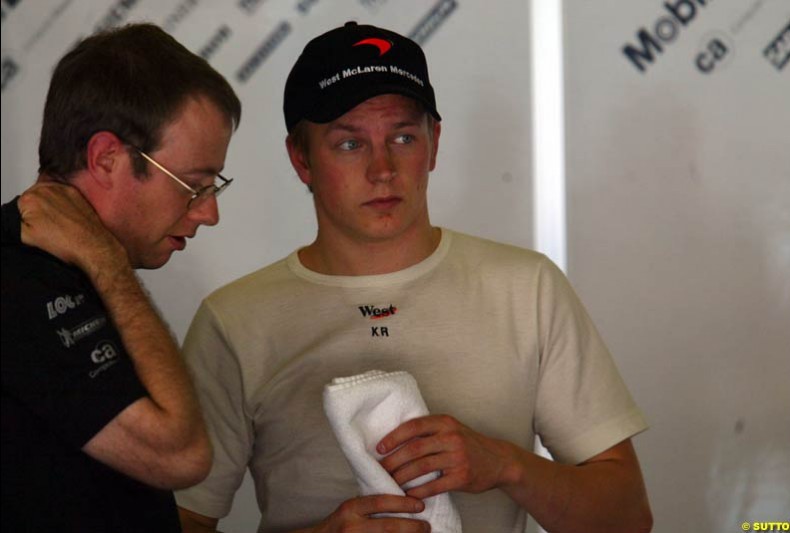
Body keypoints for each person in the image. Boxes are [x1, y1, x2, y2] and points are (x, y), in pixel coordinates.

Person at [177, 22, 652, 533]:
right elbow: (181, 521)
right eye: (350, 144)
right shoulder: (236, 320)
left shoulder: (527, 288)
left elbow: (627, 517)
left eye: (403, 136)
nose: (383, 169)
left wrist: (505, 465)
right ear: (301, 159)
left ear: (434, 143)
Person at [1, 23, 241, 532]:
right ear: (107, 158)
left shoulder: (69, 267)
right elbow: (182, 454)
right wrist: (108, 264)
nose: (209, 213)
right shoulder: (18, 276)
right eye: (194, 185)